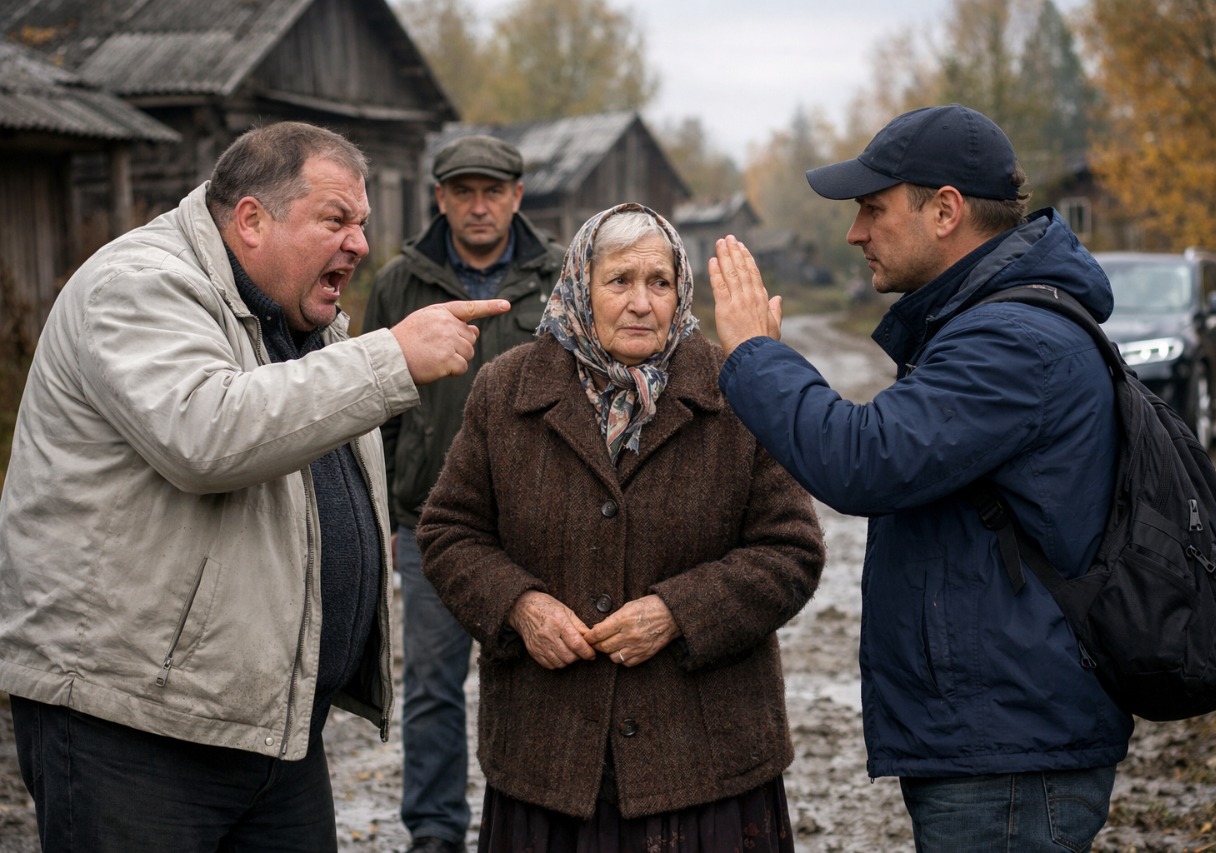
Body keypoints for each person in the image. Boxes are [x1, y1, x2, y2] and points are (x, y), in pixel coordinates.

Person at [0, 121, 509, 853]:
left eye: (361, 224)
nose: (360, 245)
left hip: (269, 726)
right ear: (250, 219)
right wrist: (389, 358)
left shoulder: (302, 315)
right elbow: (205, 433)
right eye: (336, 220)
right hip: (135, 729)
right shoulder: (139, 284)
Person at [706, 104, 1134, 851]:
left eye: (873, 208)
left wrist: (754, 356)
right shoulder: (989, 324)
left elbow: (864, 460)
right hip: (999, 737)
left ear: (945, 210)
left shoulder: (1011, 340)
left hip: (1010, 751)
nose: (855, 232)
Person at [415, 203, 826, 852]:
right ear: (581, 282)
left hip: (704, 762)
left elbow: (792, 550)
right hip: (550, 760)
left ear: (681, 289)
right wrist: (519, 606)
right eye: (619, 281)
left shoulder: (736, 389)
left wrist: (679, 611)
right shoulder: (506, 388)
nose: (641, 302)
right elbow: (448, 531)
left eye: (658, 282)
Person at [364, 134, 563, 853]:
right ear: (440, 198)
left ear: (517, 195)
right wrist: (384, 510)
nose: (478, 207)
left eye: (493, 191)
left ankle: (537, 823)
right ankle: (437, 830)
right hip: (429, 523)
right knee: (432, 686)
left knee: (544, 683)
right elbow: (372, 403)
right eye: (463, 191)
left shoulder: (563, 275)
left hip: (542, 519)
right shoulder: (398, 283)